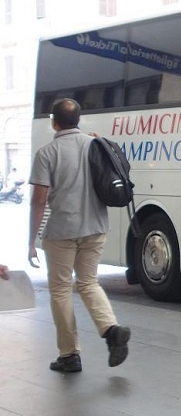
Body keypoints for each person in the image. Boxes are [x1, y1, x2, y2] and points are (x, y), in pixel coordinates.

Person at [28, 98, 131, 373]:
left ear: (54, 122)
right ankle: (110, 330)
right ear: (79, 120)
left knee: (61, 290)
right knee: (88, 282)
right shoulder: (96, 144)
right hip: (95, 227)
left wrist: (31, 241)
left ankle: (69, 355)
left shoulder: (47, 153)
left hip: (62, 231)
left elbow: (39, 201)